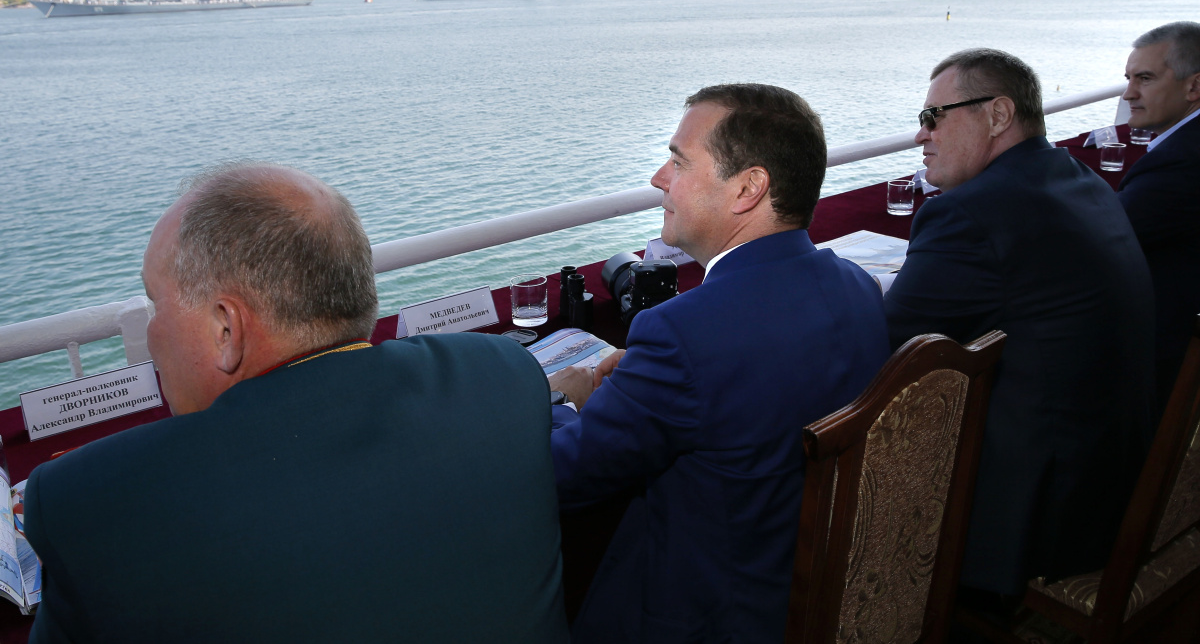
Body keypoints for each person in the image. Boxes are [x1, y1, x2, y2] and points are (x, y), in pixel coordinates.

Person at [24, 163, 568, 644]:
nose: (152, 331)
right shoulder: (500, 373)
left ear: (225, 328)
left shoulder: (92, 501)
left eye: (154, 302)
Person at [548, 84, 891, 643]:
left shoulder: (682, 335)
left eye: (679, 162)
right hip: (814, 589)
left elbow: (563, 476)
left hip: (710, 615)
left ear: (749, 188)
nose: (659, 178)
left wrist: (568, 400)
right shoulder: (858, 288)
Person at [884, 49, 1156, 600]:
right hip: (1116, 475)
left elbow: (885, 344)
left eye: (934, 117)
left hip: (1041, 513)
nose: (921, 135)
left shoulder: (969, 213)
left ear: (998, 114)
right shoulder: (1078, 177)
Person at [1118, 21, 1200, 413]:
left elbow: (1106, 237)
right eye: (1129, 79)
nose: (1128, 93)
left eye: (1145, 79)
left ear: (1194, 87)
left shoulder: (1182, 161)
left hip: (1166, 355)